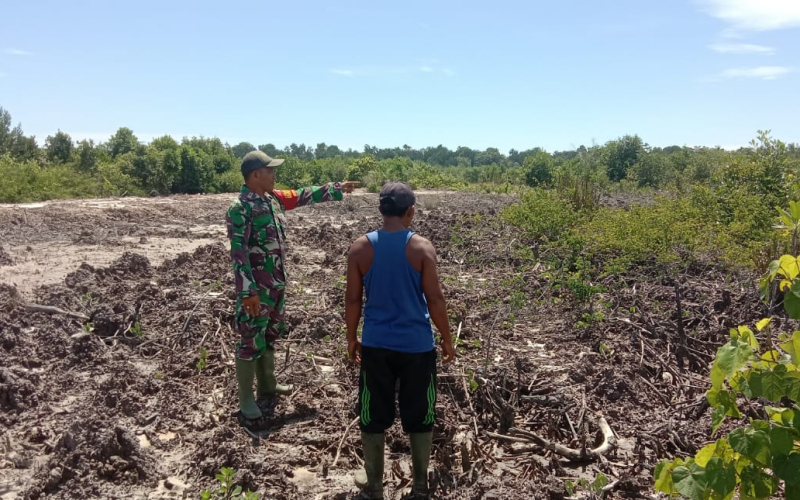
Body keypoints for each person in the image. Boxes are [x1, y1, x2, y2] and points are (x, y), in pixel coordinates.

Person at [345, 182, 456, 500]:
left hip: (376, 346)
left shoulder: (360, 248)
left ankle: (375, 486)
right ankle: (420, 487)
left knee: (372, 414)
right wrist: (447, 339)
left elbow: (353, 301)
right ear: (410, 211)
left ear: (382, 210)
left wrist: (351, 338)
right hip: (417, 348)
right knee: (421, 414)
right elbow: (435, 299)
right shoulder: (421, 248)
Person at [226, 150, 357, 419]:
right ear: (255, 175)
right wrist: (247, 291)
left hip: (276, 284)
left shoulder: (272, 199)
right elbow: (238, 253)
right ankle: (246, 399)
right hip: (256, 290)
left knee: (271, 334)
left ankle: (267, 385)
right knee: (250, 339)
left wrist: (334, 189)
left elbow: (300, 195)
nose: (274, 175)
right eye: (270, 170)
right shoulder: (240, 209)